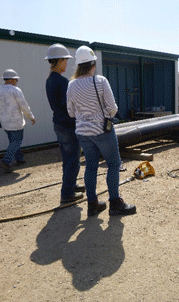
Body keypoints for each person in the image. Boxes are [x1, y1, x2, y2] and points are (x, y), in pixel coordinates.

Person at [67, 45, 136, 217]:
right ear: (93, 64)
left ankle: (93, 205)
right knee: (113, 164)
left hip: (83, 133)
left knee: (90, 167)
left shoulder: (71, 85)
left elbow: (71, 112)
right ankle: (115, 203)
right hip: (102, 131)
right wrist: (102, 115)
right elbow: (112, 109)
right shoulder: (100, 81)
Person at [45, 43, 85, 204]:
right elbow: (70, 106)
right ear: (59, 61)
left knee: (67, 159)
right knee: (73, 160)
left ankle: (71, 185)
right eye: (65, 61)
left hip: (59, 124)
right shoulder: (62, 82)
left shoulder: (49, 80)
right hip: (68, 126)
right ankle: (67, 194)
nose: (67, 64)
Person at [0, 69, 36, 173]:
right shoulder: (15, 90)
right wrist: (31, 117)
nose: (16, 82)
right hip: (16, 121)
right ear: (12, 80)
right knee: (17, 141)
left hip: (4, 122)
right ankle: (6, 161)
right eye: (16, 80)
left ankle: (19, 159)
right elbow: (23, 105)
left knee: (13, 141)